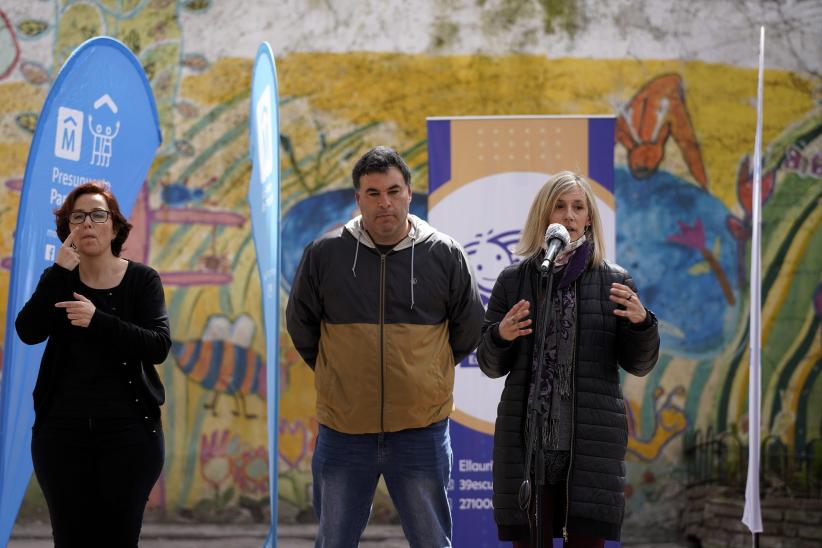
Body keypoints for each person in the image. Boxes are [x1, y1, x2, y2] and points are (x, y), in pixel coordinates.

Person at [286, 146, 484, 548]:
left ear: (409, 193)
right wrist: (336, 375)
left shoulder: (444, 254)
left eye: (393, 191)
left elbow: (467, 329)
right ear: (358, 199)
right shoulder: (325, 254)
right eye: (373, 193)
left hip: (420, 431)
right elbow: (301, 325)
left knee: (432, 541)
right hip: (344, 431)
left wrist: (427, 375)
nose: (385, 203)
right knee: (334, 542)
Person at [476, 171, 660, 547]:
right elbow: (489, 364)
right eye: (559, 206)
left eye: (578, 207)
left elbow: (638, 364)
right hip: (529, 452)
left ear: (590, 217)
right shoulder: (514, 281)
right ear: (544, 217)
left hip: (590, 450)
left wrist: (642, 325)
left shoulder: (615, 281)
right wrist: (499, 336)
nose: (569, 215)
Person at [16, 182, 171, 547]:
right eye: (78, 217)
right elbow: (28, 331)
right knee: (70, 539)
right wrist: (57, 273)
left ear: (114, 227)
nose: (88, 223)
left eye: (98, 215)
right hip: (62, 436)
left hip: (130, 436)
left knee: (118, 539)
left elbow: (158, 346)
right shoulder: (58, 281)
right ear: (68, 230)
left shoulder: (142, 280)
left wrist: (97, 319)